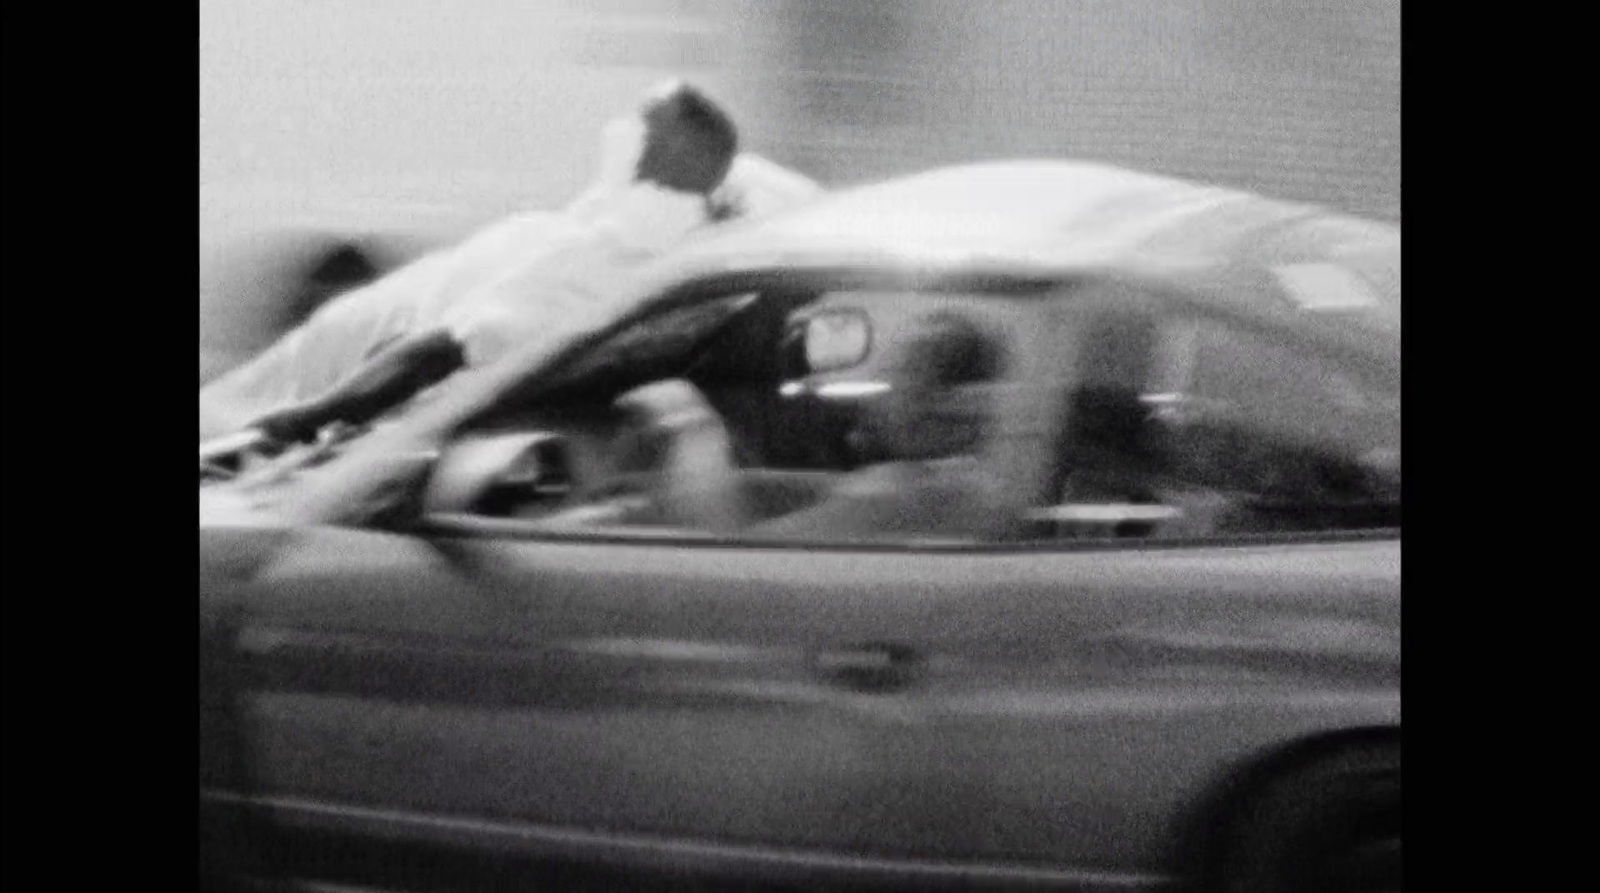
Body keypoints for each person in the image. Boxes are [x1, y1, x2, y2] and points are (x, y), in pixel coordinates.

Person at [200, 80, 744, 444]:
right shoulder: (623, 227)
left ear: (664, 152)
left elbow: (445, 349)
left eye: (639, 125)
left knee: (227, 416)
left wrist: (308, 418)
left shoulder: (620, 245)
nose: (620, 133)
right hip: (350, 346)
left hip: (326, 372)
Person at [749, 313, 1014, 542]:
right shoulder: (978, 489)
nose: (880, 391)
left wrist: (709, 454)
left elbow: (749, 552)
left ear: (939, 404)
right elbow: (827, 489)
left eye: (901, 372)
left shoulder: (891, 497)